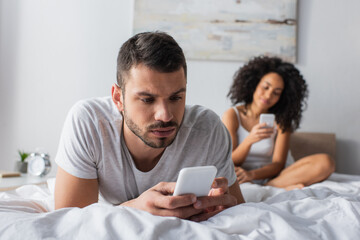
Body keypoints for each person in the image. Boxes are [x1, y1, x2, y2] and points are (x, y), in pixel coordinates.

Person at [54, 31, 244, 221]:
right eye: (147, 99)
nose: (165, 115)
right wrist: (135, 209)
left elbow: (239, 212)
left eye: (176, 97)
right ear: (118, 98)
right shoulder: (90, 122)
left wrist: (219, 210)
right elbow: (69, 222)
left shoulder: (208, 130)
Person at [222, 56, 335, 190]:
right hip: (240, 176)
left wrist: (252, 175)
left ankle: (269, 186)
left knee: (326, 162)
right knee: (224, 171)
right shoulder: (232, 115)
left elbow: (278, 164)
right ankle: (279, 186)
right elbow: (230, 160)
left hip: (272, 176)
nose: (268, 95)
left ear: (282, 97)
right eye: (266, 87)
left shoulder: (281, 120)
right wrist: (249, 141)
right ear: (254, 84)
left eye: (276, 93)